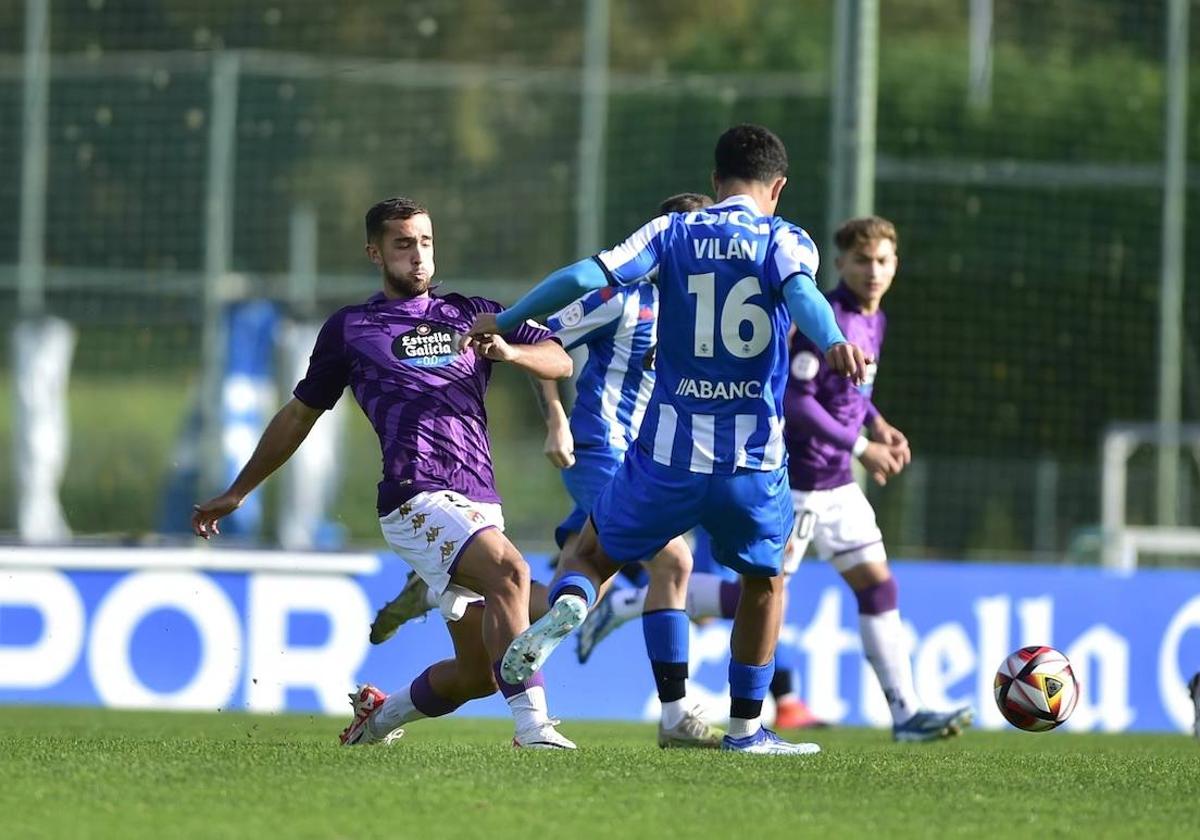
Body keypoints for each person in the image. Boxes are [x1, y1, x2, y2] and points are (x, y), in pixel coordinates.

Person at [464, 124, 871, 755]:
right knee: (764, 584)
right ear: (779, 187)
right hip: (751, 461)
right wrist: (834, 340)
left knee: (592, 558)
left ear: (716, 180)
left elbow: (583, 276)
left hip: (665, 454)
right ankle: (745, 730)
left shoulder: (672, 231)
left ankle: (572, 608)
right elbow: (803, 294)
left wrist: (510, 318)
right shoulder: (785, 238)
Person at [191, 196, 578, 749]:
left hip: (479, 500)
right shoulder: (352, 329)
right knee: (512, 576)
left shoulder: (473, 312)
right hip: (413, 498)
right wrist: (238, 490)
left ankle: (376, 717)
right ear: (375, 253)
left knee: (475, 676)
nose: (418, 256)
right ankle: (533, 728)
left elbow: (557, 358)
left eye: (425, 242)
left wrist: (513, 356)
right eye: (403, 244)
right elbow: (299, 415)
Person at [782, 215, 972, 741]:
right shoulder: (827, 318)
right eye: (862, 260)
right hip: (796, 483)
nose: (873, 271)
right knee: (752, 598)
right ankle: (637, 601)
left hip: (837, 483)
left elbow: (852, 393)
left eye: (883, 261)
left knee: (878, 586)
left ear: (895, 265)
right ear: (839, 262)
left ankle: (906, 716)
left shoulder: (876, 318)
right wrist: (864, 448)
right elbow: (796, 403)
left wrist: (879, 424)